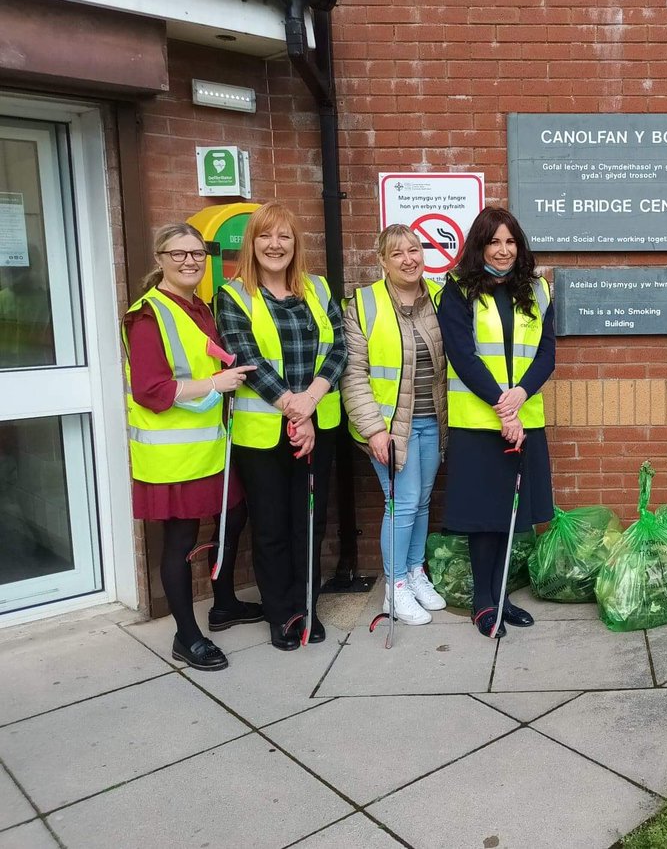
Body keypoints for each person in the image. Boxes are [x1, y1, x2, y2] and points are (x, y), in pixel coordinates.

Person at [124, 223, 260, 671]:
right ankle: (188, 635)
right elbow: (150, 389)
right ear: (160, 258)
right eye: (178, 254)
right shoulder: (147, 315)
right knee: (181, 541)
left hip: (209, 445)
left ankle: (223, 604)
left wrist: (227, 366)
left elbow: (200, 358)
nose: (190, 262)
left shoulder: (197, 305)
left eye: (197, 254)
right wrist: (215, 383)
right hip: (172, 454)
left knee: (233, 515)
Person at [215, 202, 347, 651]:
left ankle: (306, 605)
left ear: (296, 244)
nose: (275, 245)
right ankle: (281, 613)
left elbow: (339, 348)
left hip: (318, 426)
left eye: (284, 237)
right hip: (262, 434)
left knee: (309, 521)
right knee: (270, 526)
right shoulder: (233, 296)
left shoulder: (318, 288)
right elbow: (245, 358)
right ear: (252, 243)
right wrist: (295, 408)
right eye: (265, 236)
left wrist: (310, 402)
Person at [436, 207, 555, 638]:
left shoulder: (538, 289)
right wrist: (503, 408)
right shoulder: (457, 290)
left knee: (510, 514)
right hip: (478, 423)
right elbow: (462, 356)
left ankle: (501, 594)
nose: (503, 251)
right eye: (494, 242)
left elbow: (546, 355)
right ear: (480, 246)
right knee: (483, 516)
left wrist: (520, 397)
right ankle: (483, 604)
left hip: (525, 417)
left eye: (510, 242)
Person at [342, 224, 448, 626]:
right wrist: (373, 430)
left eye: (415, 250)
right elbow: (353, 373)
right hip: (387, 429)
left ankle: (415, 572)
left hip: (431, 420)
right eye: (398, 253)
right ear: (382, 261)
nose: (409, 259)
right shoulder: (363, 304)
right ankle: (395, 586)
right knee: (402, 504)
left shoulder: (438, 297)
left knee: (421, 502)